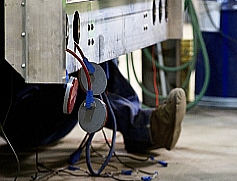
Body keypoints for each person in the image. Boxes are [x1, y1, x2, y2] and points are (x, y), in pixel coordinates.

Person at [0, 58, 186, 153]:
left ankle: (139, 130)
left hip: (57, 119)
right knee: (73, 87)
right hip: (22, 125)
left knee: (96, 63)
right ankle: (144, 127)